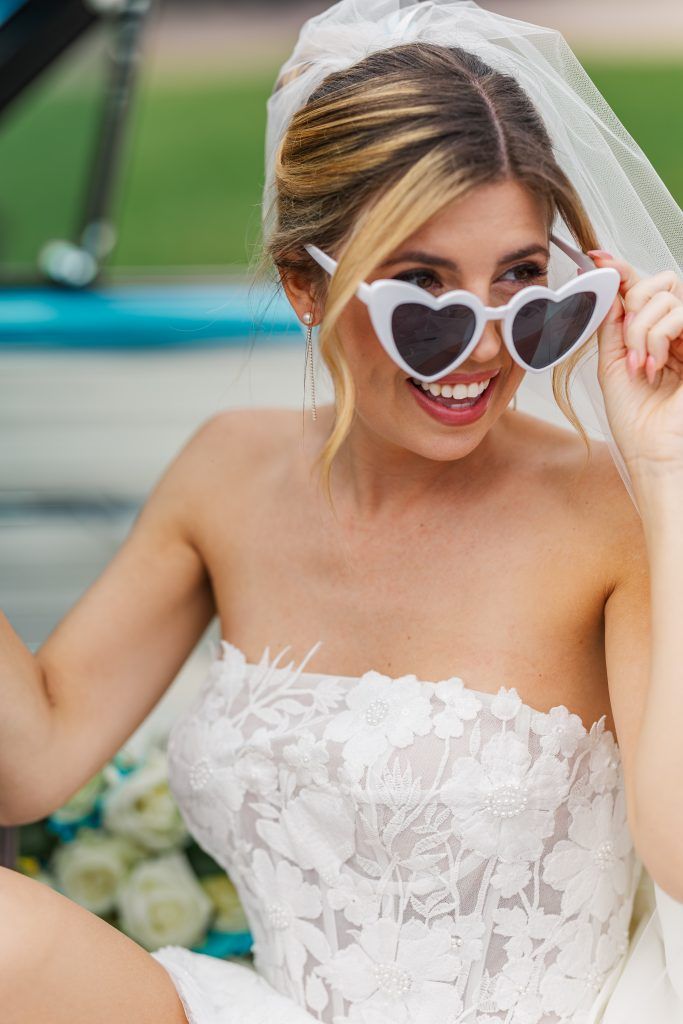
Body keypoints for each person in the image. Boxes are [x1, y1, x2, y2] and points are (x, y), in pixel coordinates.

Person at [1, 1, 682, 1022]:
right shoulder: (227, 471)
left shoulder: (607, 509)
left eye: (524, 286)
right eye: (424, 294)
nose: (483, 346)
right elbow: (34, 758)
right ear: (302, 285)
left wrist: (668, 475)